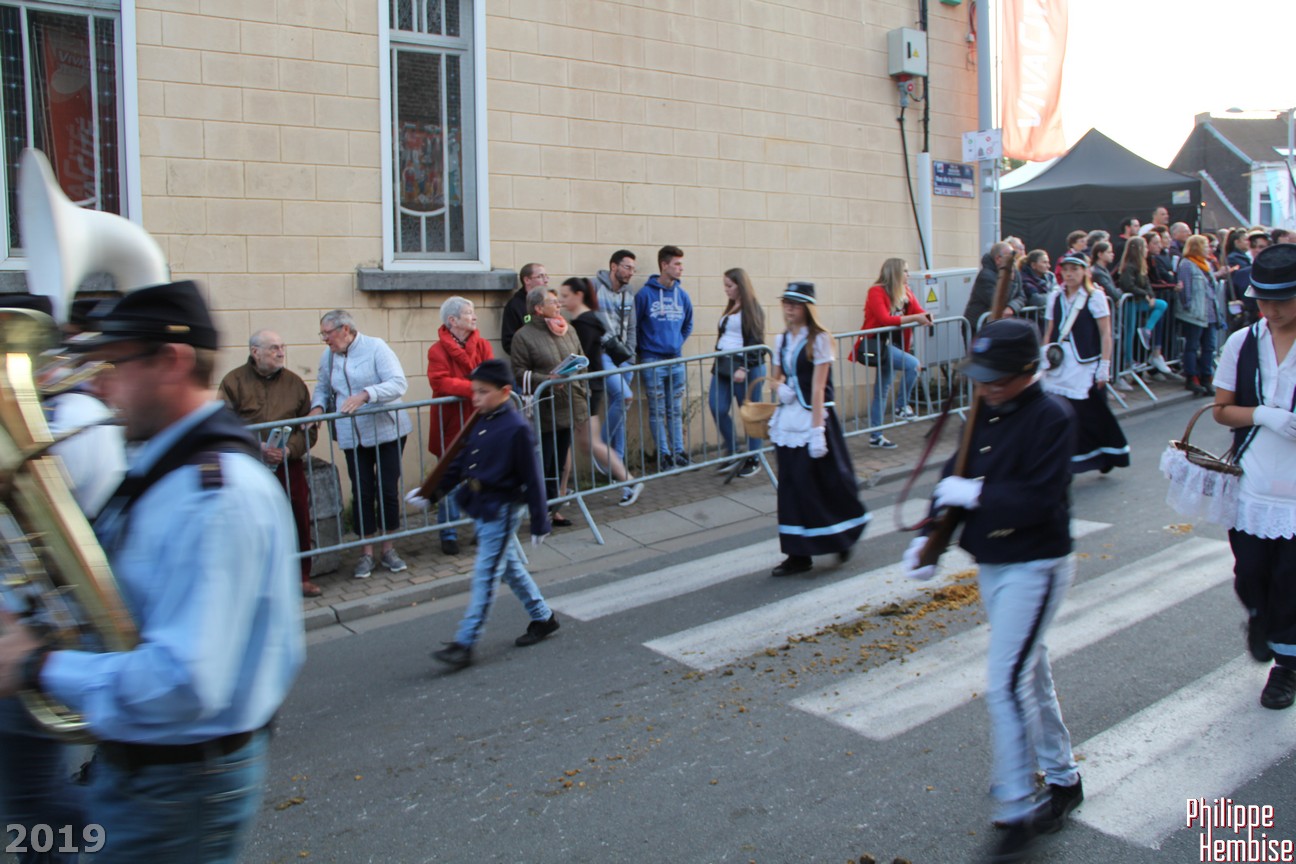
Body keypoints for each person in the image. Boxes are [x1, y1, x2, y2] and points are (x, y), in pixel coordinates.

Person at [0, 280, 304, 862]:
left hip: (178, 787)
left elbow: (182, 682)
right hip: (153, 772)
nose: (98, 385)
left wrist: (38, 665)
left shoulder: (213, 496)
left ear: (171, 361)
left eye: (114, 365)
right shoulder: (166, 468)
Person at [903, 318, 1083, 864]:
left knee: (1005, 683)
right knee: (1031, 673)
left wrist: (977, 495)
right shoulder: (986, 408)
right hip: (994, 562)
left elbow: (1040, 498)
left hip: (1036, 563)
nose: (986, 386)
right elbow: (955, 473)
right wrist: (930, 532)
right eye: (982, 377)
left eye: (997, 377)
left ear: (1028, 371)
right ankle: (1063, 777)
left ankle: (1015, 805)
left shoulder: (1053, 416)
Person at [418, 359, 558, 670]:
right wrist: (431, 493)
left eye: (483, 392)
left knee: (485, 575)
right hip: (482, 505)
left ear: (505, 391)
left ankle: (465, 642)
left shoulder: (517, 428)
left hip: (502, 509)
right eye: (474, 391)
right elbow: (461, 463)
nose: (476, 398)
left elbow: (533, 478)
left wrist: (540, 521)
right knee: (509, 568)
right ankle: (543, 617)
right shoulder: (483, 419)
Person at [1211, 244, 1296, 709]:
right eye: (1263, 299)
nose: (1271, 309)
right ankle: (1260, 615)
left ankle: (1286, 666)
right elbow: (1222, 410)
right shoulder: (1241, 343)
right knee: (1250, 572)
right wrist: (1264, 414)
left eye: (1282, 299)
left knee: (1291, 578)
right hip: (1254, 482)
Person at [767, 283, 868, 577]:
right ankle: (797, 554)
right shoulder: (781, 339)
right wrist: (780, 389)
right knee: (790, 485)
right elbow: (775, 378)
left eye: (795, 303)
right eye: (786, 302)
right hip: (788, 420)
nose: (789, 307)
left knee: (826, 482)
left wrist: (817, 432)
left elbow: (818, 388)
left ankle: (843, 535)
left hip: (815, 419)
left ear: (807, 308)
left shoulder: (820, 339)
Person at [308, 309, 412, 577]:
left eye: (327, 333)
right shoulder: (328, 356)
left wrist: (366, 394)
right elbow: (322, 387)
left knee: (386, 489)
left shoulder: (376, 347)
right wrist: (317, 407)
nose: (325, 339)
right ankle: (366, 552)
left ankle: (388, 549)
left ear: (345, 329)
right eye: (322, 334)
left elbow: (398, 383)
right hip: (351, 435)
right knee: (362, 490)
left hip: (386, 430)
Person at [219, 329, 321, 597]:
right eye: (274, 347)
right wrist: (256, 447)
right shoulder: (233, 382)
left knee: (298, 516)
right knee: (250, 521)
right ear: (255, 352)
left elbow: (309, 429)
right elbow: (223, 425)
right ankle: (257, 581)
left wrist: (288, 450)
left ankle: (302, 576)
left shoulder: (294, 383)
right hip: (248, 465)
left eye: (282, 346)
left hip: (288, 464)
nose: (281, 352)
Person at [1041, 253, 1130, 475]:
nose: (1069, 274)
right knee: (1059, 411)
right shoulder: (1055, 297)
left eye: (1074, 269)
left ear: (1084, 271)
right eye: (1066, 270)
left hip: (1085, 363)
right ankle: (1065, 458)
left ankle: (1105, 453)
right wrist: (1044, 358)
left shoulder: (1094, 297)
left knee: (1090, 413)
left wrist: (1104, 367)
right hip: (1059, 363)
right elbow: (1049, 330)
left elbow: (1105, 333)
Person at [557, 277, 643, 506]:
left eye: (565, 296)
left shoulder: (584, 323)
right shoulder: (585, 320)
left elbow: (581, 359)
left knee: (587, 443)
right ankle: (562, 492)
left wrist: (559, 375)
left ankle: (629, 481)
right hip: (588, 388)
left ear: (578, 295)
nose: (561, 301)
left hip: (585, 389)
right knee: (587, 444)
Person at [510, 286, 588, 527]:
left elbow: (581, 359)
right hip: (544, 408)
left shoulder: (568, 329)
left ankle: (554, 510)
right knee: (543, 463)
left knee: (560, 463)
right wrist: (547, 380)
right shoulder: (523, 336)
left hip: (568, 404)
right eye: (552, 301)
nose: (558, 305)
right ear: (538, 308)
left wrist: (580, 383)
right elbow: (520, 372)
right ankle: (538, 511)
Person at [426, 296, 493, 556]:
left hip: (480, 419)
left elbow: (491, 374)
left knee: (482, 476)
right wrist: (476, 388)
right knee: (450, 480)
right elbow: (440, 382)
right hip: (451, 423)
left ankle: (482, 527)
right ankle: (448, 532)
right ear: (452, 320)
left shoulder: (483, 345)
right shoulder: (437, 350)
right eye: (469, 313)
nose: (474, 317)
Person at [861, 258, 932, 449]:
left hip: (895, 345)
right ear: (895, 273)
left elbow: (918, 310)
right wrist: (916, 317)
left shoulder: (905, 291)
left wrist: (926, 316)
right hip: (880, 345)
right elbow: (884, 319)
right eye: (905, 271)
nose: (908, 274)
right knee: (913, 365)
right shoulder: (876, 291)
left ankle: (876, 436)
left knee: (882, 391)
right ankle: (901, 406)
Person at [636, 244, 694, 468]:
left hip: (676, 360)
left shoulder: (682, 295)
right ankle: (664, 455)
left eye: (681, 264)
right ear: (664, 265)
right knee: (658, 410)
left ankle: (679, 451)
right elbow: (635, 326)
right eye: (676, 264)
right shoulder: (645, 294)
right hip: (652, 360)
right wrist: (648, 347)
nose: (681, 268)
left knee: (675, 409)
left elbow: (688, 324)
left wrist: (676, 342)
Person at [707, 267, 767, 477]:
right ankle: (733, 449)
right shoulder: (732, 307)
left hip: (746, 366)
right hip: (724, 365)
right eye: (725, 285)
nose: (726, 290)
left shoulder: (753, 309)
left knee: (750, 413)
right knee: (716, 406)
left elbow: (756, 342)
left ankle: (754, 457)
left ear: (741, 286)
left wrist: (744, 367)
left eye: (729, 286)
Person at [593, 250, 638, 466]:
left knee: (620, 410)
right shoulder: (594, 287)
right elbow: (585, 320)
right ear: (614, 266)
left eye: (633, 269)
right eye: (627, 267)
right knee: (625, 397)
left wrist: (630, 355)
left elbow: (632, 326)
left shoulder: (629, 293)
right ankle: (599, 449)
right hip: (603, 354)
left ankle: (617, 464)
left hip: (624, 357)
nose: (631, 272)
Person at [1175, 234, 1225, 397]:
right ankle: (1192, 377)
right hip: (1195, 312)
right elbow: (1186, 289)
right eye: (1205, 246)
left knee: (1209, 347)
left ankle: (1206, 377)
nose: (1208, 249)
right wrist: (1187, 306)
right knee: (1192, 345)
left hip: (1209, 312)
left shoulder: (1206, 264)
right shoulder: (1187, 264)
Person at [1117, 235, 1170, 373]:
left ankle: (1147, 329)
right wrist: (1144, 294)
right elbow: (1127, 285)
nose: (1147, 249)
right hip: (1131, 302)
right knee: (1129, 332)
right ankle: (1128, 360)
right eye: (1145, 247)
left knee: (1161, 304)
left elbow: (1147, 284)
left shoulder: (1142, 266)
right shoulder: (1129, 266)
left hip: (1139, 301)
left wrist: (1150, 295)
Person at [964, 242, 1025, 333]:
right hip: (979, 325)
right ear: (998, 259)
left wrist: (1012, 307)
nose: (1013, 261)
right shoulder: (986, 276)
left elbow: (1022, 296)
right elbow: (999, 301)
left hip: (998, 323)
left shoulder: (1013, 271)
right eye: (1010, 257)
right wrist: (1010, 281)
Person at [500, 263, 549, 354]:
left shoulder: (550, 303)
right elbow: (508, 342)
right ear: (527, 280)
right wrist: (532, 354)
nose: (546, 280)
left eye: (546, 276)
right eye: (540, 277)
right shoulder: (515, 306)